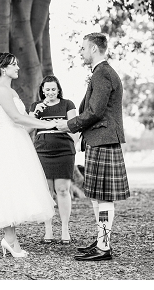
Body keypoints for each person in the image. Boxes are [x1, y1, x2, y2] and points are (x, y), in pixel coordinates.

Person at [56, 32, 130, 261]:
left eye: (83, 48)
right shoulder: (101, 73)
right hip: (100, 140)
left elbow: (95, 112)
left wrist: (69, 125)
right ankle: (101, 241)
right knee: (99, 197)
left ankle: (104, 247)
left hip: (103, 140)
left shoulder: (102, 73)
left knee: (104, 197)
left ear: (94, 49)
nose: (81, 52)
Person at [0, 52, 57, 258]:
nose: (18, 68)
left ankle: (11, 241)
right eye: (14, 65)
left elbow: (22, 122)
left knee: (14, 188)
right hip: (8, 144)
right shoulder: (0, 89)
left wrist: (35, 118)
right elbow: (15, 117)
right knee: (8, 189)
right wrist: (48, 124)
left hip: (18, 140)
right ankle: (10, 242)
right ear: (4, 69)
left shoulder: (11, 92)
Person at [28, 75, 78, 244]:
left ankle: (65, 229)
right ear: (42, 90)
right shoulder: (36, 106)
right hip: (42, 151)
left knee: (63, 189)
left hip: (64, 150)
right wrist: (36, 113)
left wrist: (61, 125)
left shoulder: (68, 104)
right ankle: (48, 230)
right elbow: (28, 128)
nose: (50, 92)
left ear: (58, 90)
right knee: (47, 191)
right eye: (47, 89)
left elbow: (74, 129)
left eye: (53, 89)